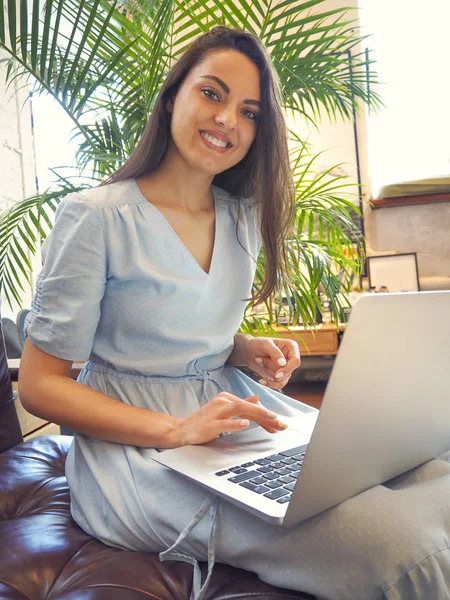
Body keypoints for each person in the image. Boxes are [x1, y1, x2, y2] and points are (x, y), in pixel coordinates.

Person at [18, 26, 450, 600]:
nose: (228, 120)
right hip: (135, 452)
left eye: (248, 111)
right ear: (173, 96)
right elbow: (41, 386)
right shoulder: (96, 217)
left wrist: (242, 348)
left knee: (435, 475)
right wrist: (175, 429)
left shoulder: (242, 214)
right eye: (213, 93)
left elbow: (177, 327)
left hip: (233, 417)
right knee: (402, 549)